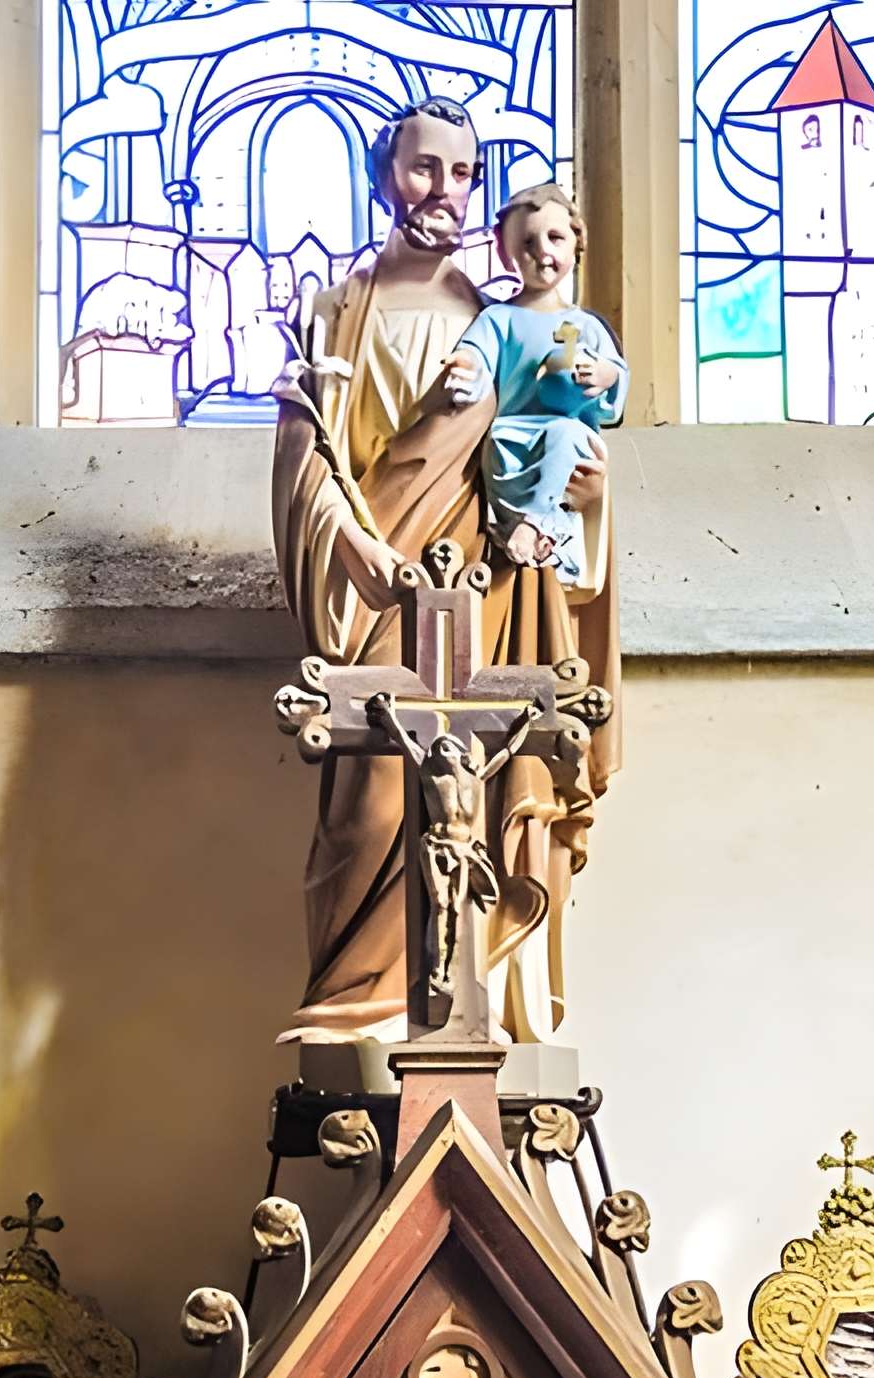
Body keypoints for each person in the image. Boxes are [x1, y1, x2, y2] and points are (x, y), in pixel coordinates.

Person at [268, 102, 621, 1042]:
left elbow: (559, 443)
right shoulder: (339, 313)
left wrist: (588, 500)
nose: (445, 191)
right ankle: (363, 1013)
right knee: (372, 799)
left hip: (490, 596)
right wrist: (361, 555)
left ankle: (483, 1011)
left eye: (464, 173)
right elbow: (308, 458)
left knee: (492, 788)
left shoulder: (500, 320)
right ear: (386, 176)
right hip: (380, 590)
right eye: (425, 168)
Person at [445, 184, 624, 580]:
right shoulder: (499, 319)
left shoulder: (587, 326)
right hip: (511, 438)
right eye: (527, 241)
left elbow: (614, 384)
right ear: (503, 250)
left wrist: (605, 375)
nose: (543, 251)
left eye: (556, 237)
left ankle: (541, 525)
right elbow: (477, 354)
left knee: (565, 434)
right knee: (504, 445)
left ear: (576, 241)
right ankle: (530, 528)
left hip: (568, 443)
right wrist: (465, 365)